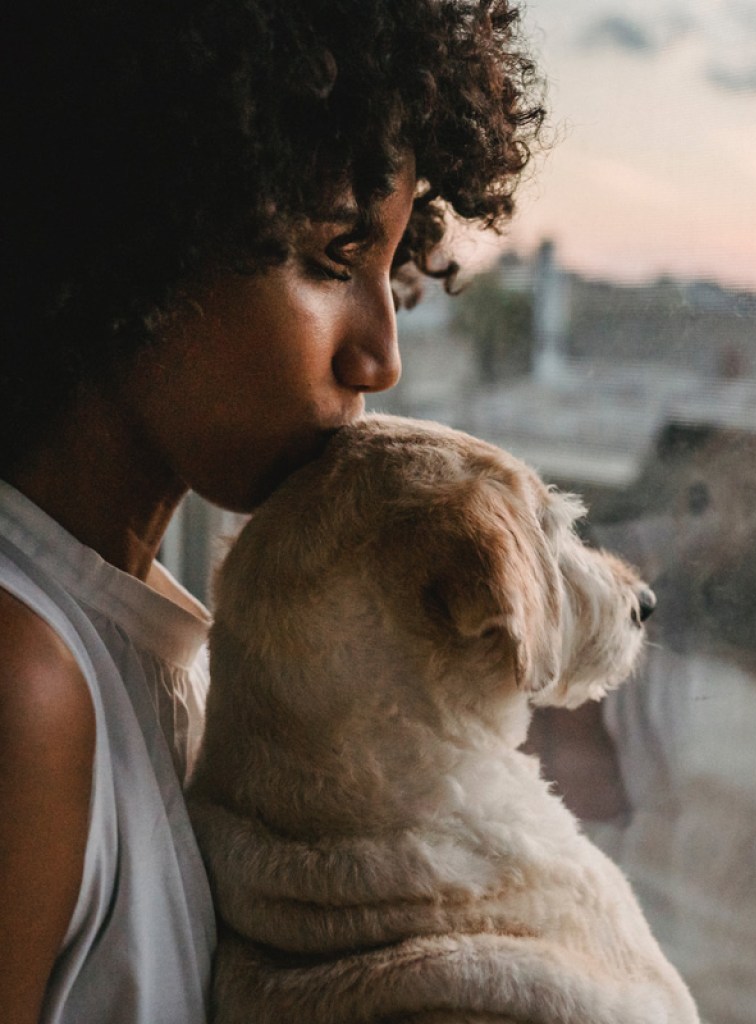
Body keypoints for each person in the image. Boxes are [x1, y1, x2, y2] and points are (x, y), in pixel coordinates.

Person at [0, 2, 545, 1021]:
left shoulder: (156, 646)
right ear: (143, 225)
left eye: (391, 269)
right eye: (334, 260)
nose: (380, 357)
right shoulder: (23, 681)